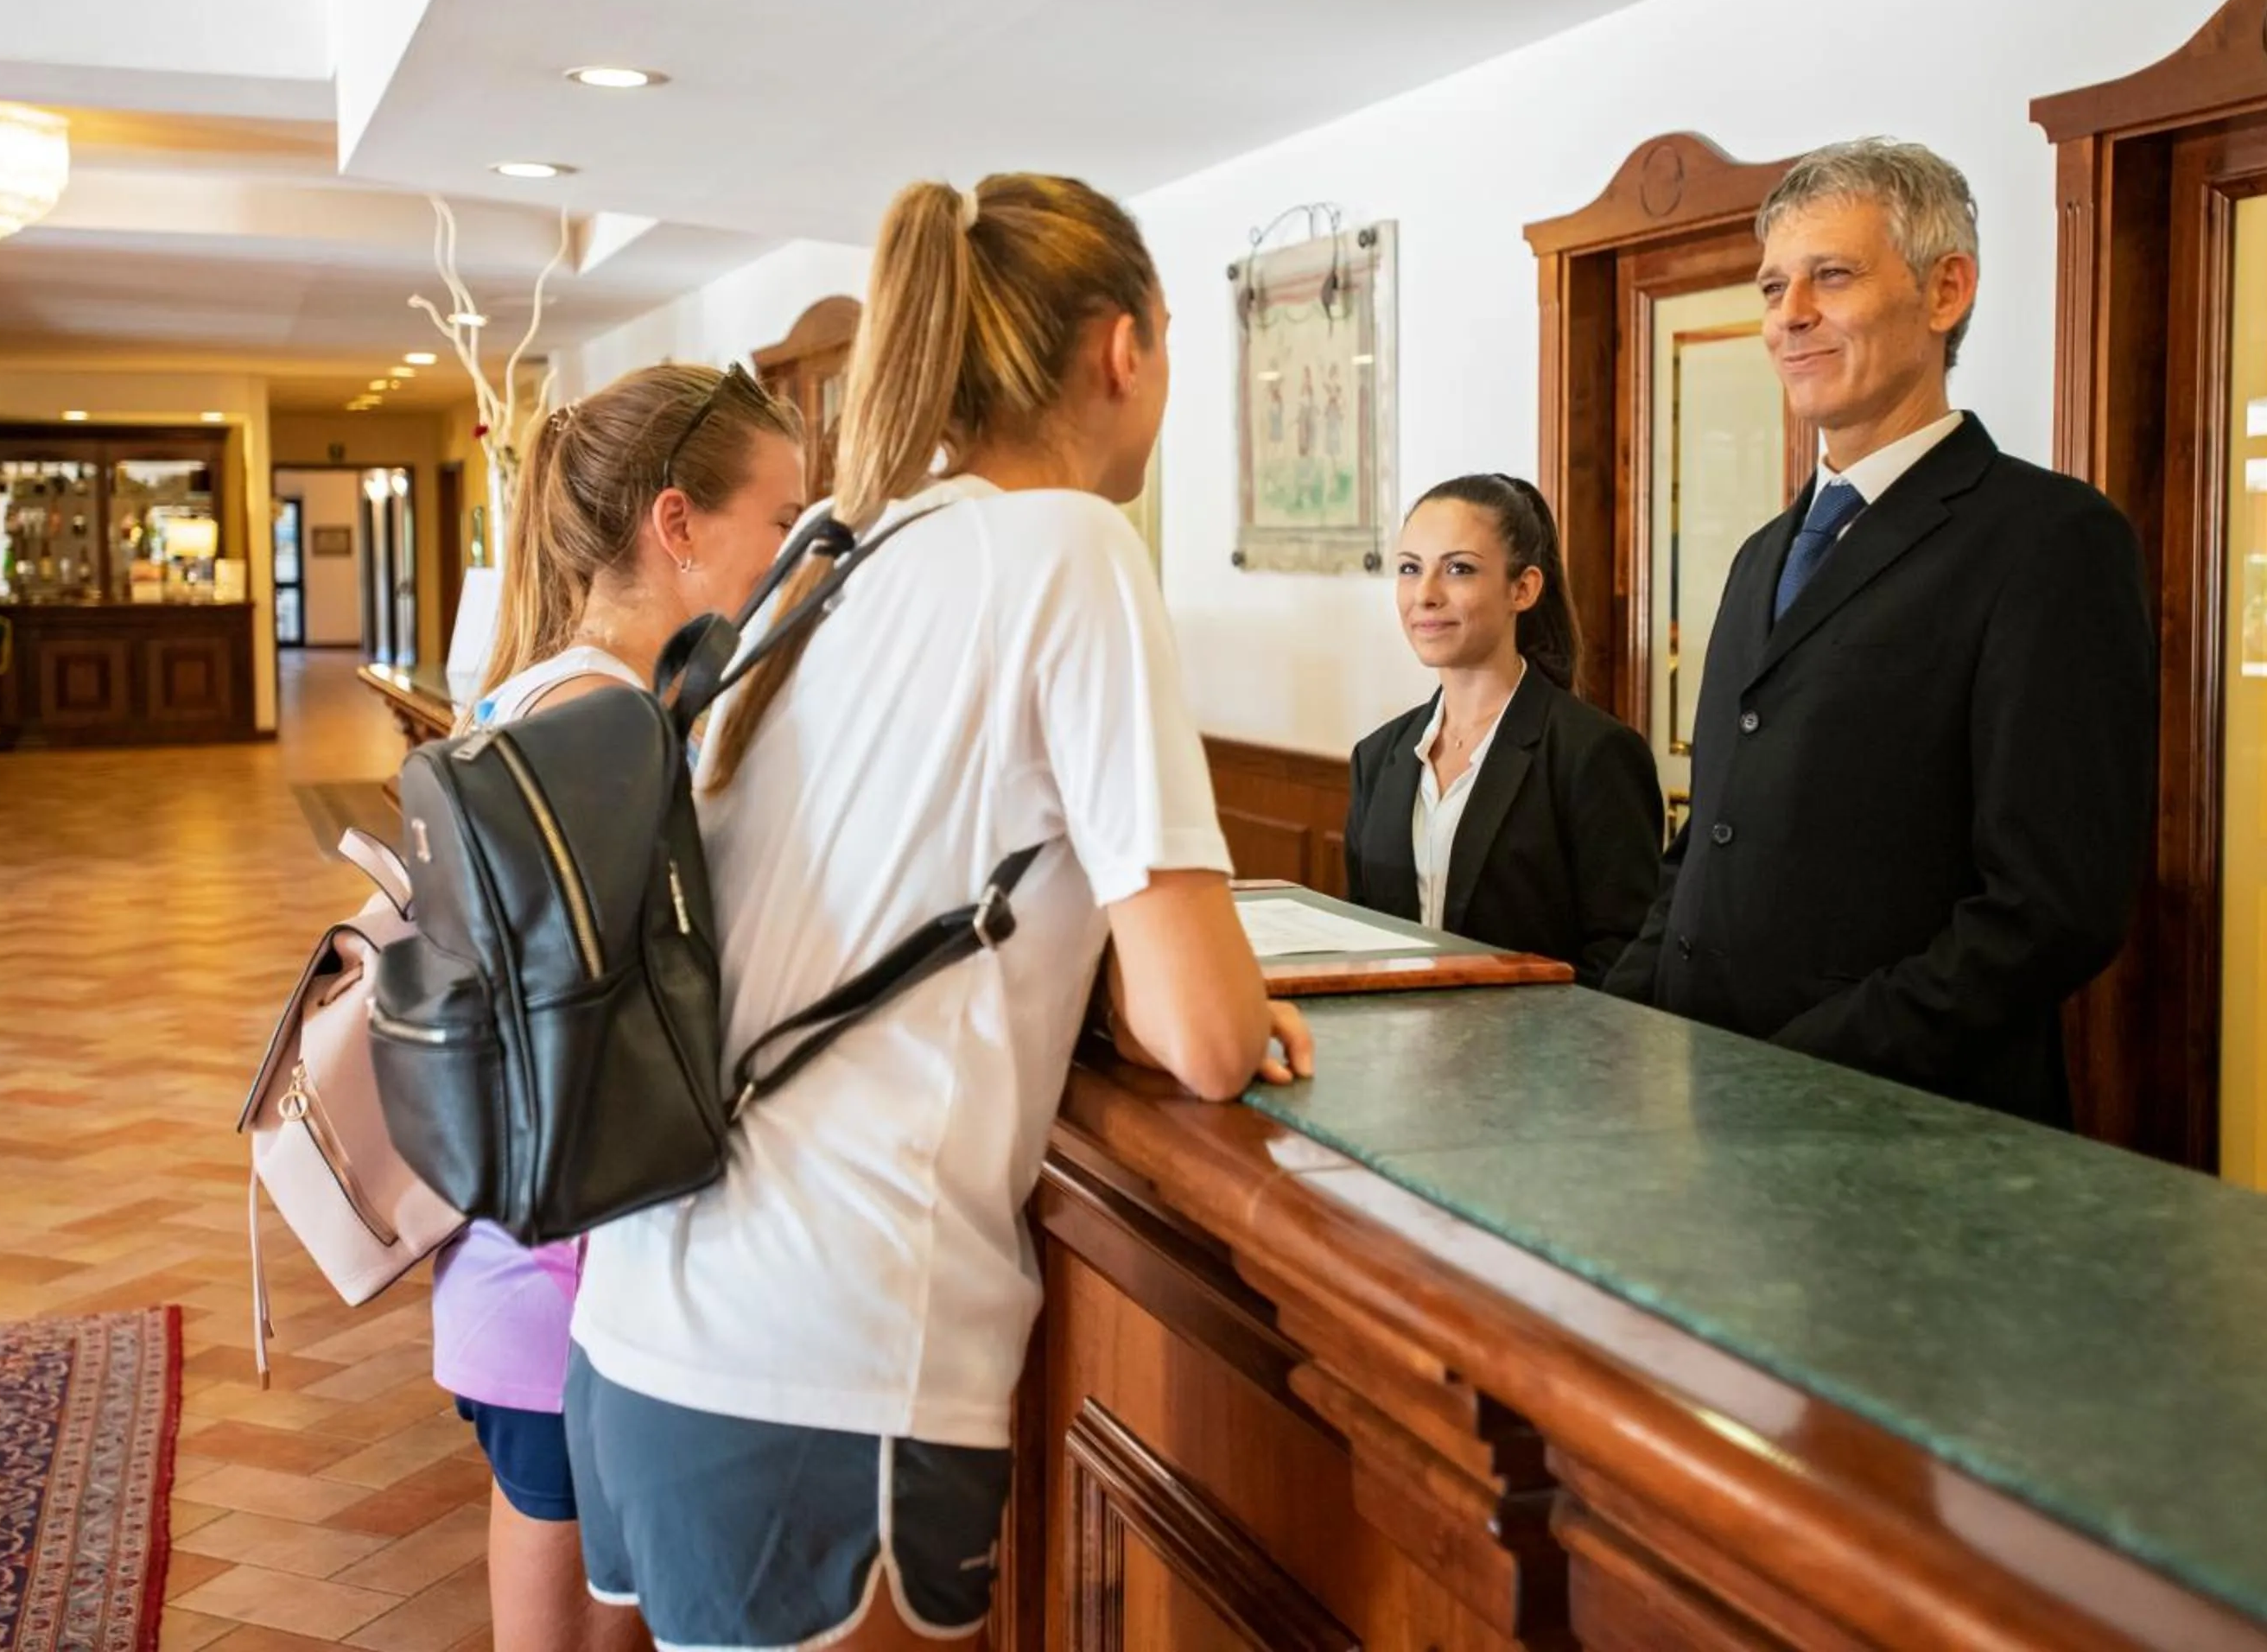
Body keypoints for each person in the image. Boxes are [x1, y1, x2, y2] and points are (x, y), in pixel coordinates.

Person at [564, 173, 1314, 1652]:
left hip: (648, 1328)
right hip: (828, 1366)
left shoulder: (837, 558)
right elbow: (1207, 1033)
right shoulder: (1074, 553)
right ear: (1125, 348)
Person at [1603, 137, 2156, 1128]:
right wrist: (1614, 1031)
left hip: (1902, 1127)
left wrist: (1807, 1068)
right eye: (1774, 286)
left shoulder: (2050, 541)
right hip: (1711, 1111)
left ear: (1946, 291)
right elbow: (1709, 841)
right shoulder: (1763, 555)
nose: (1789, 316)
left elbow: (2049, 908)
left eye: (1833, 275)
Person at [441, 359, 805, 1652]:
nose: (795, 553)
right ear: (677, 525)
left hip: (517, 1268)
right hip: (560, 1281)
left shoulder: (555, 692)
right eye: (780, 521)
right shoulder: (607, 728)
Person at [1343, 474, 1662, 985]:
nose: (1425, 595)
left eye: (1459, 569)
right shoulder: (1378, 757)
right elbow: (1364, 939)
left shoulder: (1593, 754)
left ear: (1523, 588)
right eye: (1410, 569)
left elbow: (1625, 963)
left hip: (1539, 1057)